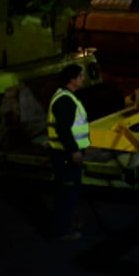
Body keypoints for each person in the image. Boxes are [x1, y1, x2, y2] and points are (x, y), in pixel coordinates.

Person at [47, 63, 89, 241]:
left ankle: (65, 225)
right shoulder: (65, 101)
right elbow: (63, 130)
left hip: (65, 154)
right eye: (80, 76)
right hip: (65, 155)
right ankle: (61, 231)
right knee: (66, 194)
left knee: (68, 194)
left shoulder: (67, 97)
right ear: (72, 79)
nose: (83, 79)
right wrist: (74, 151)